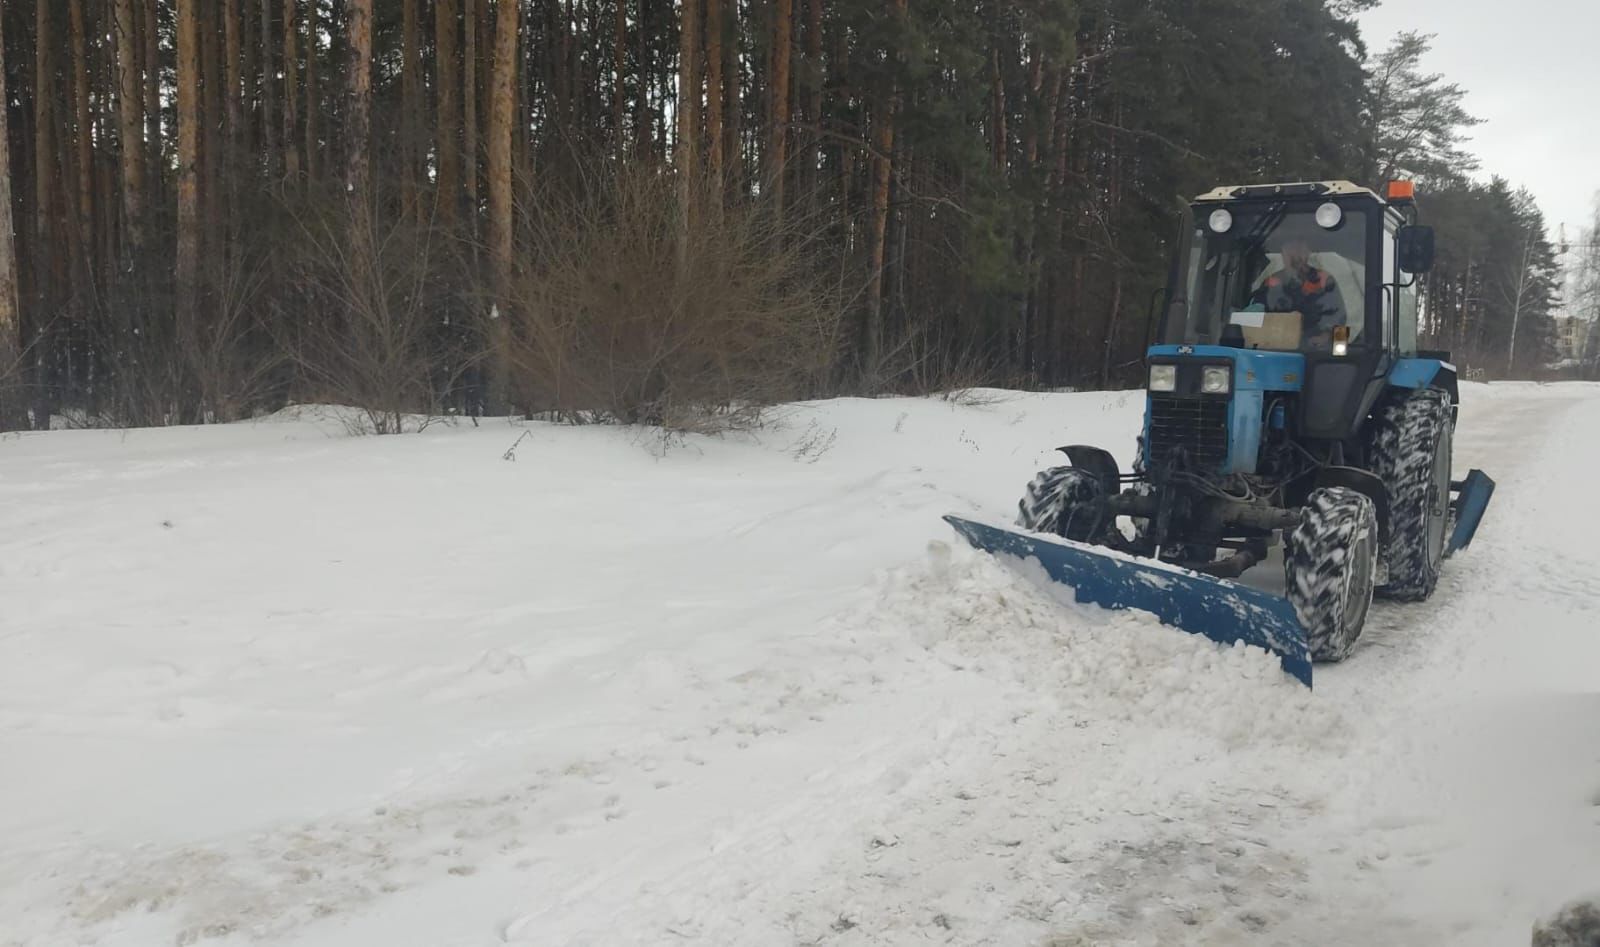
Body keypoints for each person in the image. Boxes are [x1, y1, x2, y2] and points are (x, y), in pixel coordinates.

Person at [1256, 238, 1346, 346]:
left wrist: (1328, 338)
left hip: (1316, 351)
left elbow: (1341, 320)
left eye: (1300, 250)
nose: (1295, 256)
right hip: (1277, 349)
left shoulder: (1324, 280)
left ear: (1308, 253)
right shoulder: (1270, 283)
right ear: (1283, 253)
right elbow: (1254, 318)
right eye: (1290, 250)